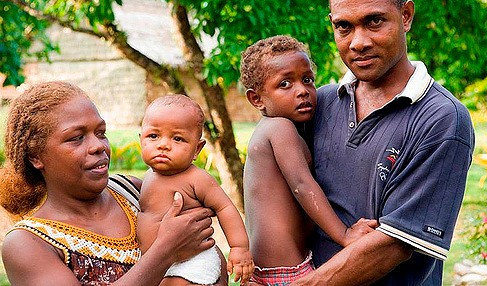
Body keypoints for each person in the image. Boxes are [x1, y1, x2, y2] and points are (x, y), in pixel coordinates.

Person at [291, 0, 475, 285]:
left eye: (374, 21)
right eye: (344, 26)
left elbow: (393, 245)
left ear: (405, 16)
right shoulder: (320, 103)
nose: (358, 42)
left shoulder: (441, 118)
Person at [0, 81, 225, 286]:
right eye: (76, 137)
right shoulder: (26, 243)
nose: (98, 146)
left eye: (101, 132)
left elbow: (208, 258)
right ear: (36, 157)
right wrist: (166, 250)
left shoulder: (135, 192)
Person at [240, 35, 377, 285]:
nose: (302, 91)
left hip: (270, 270)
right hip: (286, 274)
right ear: (257, 99)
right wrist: (344, 235)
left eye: (307, 80)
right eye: (285, 84)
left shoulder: (285, 129)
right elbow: (303, 185)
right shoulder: (279, 128)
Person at [137, 94, 254, 285]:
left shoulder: (196, 178)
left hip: (192, 261)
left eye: (177, 139)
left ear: (197, 149)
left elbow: (225, 208)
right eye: (153, 136)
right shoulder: (149, 176)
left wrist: (239, 247)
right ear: (141, 139)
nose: (163, 145)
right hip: (159, 262)